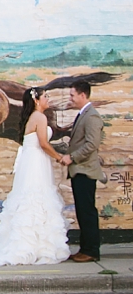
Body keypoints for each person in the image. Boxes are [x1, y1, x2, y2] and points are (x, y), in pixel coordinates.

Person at [0, 88, 70, 266]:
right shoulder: (40, 117)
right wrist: (60, 157)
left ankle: (33, 244)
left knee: (31, 198)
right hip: (36, 162)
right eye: (45, 96)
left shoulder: (33, 117)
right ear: (36, 100)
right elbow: (44, 144)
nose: (48, 99)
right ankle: (37, 245)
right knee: (37, 198)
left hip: (33, 160)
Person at [60, 80, 105, 262]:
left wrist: (72, 157)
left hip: (85, 170)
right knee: (82, 210)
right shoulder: (83, 114)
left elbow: (92, 144)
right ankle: (85, 248)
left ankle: (91, 250)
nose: (70, 98)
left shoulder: (91, 116)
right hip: (79, 171)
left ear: (82, 95)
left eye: (72, 95)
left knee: (87, 211)